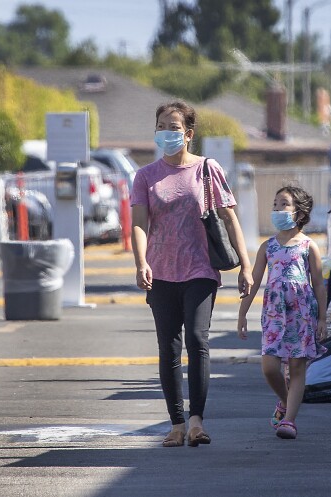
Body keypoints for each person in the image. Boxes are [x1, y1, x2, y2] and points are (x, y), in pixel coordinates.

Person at [131, 100, 253, 448]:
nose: (167, 132)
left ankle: (197, 420)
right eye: (161, 126)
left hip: (200, 269)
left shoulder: (206, 169)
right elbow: (139, 224)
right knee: (168, 347)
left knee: (198, 341)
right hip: (161, 272)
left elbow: (229, 218)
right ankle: (176, 424)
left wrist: (245, 263)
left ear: (188, 133)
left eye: (173, 126)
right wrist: (141, 262)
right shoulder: (145, 176)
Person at [237, 185, 327, 440]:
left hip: (302, 312)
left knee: (298, 367)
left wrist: (322, 318)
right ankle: (285, 400)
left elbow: (318, 284)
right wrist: (242, 313)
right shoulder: (268, 247)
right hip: (275, 313)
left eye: (283, 204)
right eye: (275, 204)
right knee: (269, 367)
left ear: (299, 213)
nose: (277, 209)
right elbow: (253, 282)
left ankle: (289, 421)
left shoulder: (310, 246)